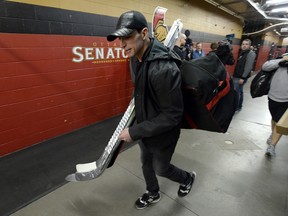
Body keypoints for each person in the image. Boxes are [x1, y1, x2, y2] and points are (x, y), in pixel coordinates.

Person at [107, 11, 196, 210]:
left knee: (161, 168)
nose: (121, 44)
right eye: (120, 38)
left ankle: (187, 178)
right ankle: (152, 192)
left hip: (164, 134)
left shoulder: (164, 69)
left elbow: (172, 116)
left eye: (127, 37)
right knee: (146, 163)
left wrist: (134, 131)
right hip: (146, 126)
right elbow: (140, 92)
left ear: (144, 33)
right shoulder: (135, 58)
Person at [261, 53, 288, 157]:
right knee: (274, 119)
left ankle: (272, 146)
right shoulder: (280, 61)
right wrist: (282, 60)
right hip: (273, 97)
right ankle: (273, 134)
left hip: (286, 100)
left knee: (279, 122)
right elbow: (265, 66)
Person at [233, 39, 256, 111]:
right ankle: (239, 106)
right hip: (237, 75)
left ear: (249, 45)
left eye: (246, 44)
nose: (244, 45)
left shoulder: (251, 53)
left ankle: (236, 107)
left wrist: (243, 77)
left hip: (240, 77)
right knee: (239, 91)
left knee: (237, 92)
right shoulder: (243, 53)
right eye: (243, 44)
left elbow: (248, 67)